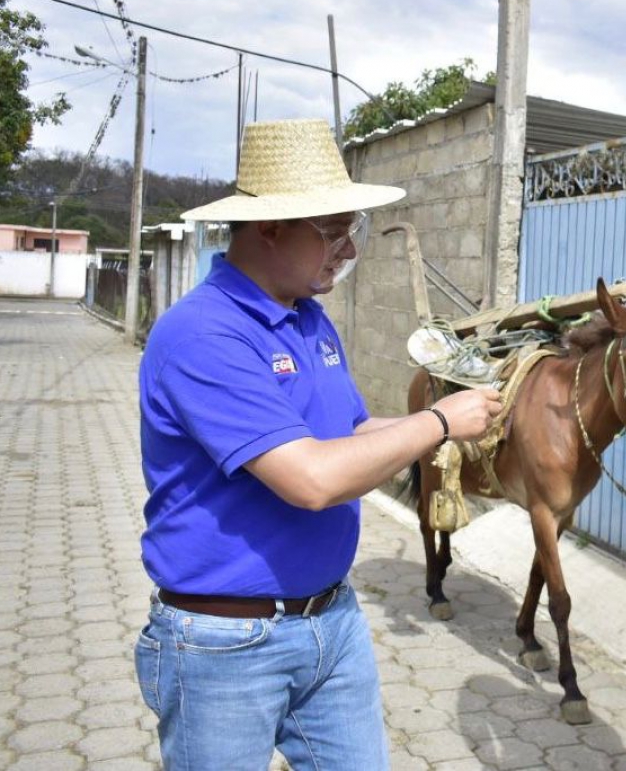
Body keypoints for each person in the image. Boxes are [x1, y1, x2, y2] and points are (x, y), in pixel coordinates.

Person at [135, 118, 502, 771]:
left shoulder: (308, 319)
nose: (350, 251)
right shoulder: (203, 336)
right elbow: (312, 479)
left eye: (351, 232)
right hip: (225, 645)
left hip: (330, 624)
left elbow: (353, 436)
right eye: (333, 232)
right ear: (270, 228)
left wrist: (475, 426)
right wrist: (439, 423)